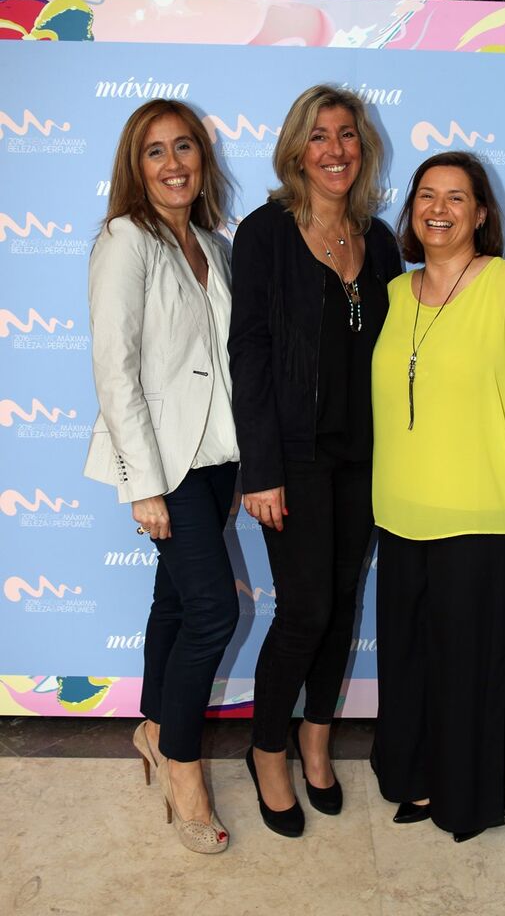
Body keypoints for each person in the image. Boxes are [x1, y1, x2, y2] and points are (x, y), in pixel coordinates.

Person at [370, 151, 505, 841]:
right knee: (409, 662)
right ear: (411, 210)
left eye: (458, 197)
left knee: (470, 669)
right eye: (427, 194)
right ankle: (417, 779)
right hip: (398, 514)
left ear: (481, 213)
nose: (440, 208)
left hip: (480, 516)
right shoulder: (396, 294)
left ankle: (467, 801)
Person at [229, 84, 401, 837]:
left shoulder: (381, 238)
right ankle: (267, 751)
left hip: (366, 460)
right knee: (304, 612)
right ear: (298, 148)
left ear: (362, 148)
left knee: (341, 609)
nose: (335, 150)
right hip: (292, 459)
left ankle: (316, 741)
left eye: (348, 136)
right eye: (319, 136)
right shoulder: (266, 233)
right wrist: (258, 470)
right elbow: (251, 354)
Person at [84, 99, 240, 854]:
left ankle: (153, 725)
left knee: (177, 604)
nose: (174, 162)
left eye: (184, 147)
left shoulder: (215, 240)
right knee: (215, 613)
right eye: (155, 151)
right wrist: (142, 481)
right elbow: (115, 369)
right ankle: (182, 764)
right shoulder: (126, 240)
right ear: (134, 166)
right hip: (163, 461)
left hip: (218, 460)